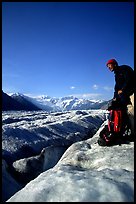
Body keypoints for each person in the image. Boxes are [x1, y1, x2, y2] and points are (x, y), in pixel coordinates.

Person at [106, 58, 134, 137]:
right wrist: (115, 97)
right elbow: (117, 87)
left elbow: (129, 80)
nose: (108, 67)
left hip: (132, 92)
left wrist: (123, 89)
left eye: (109, 65)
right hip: (125, 95)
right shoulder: (116, 75)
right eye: (107, 66)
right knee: (125, 111)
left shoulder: (124, 68)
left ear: (114, 64)